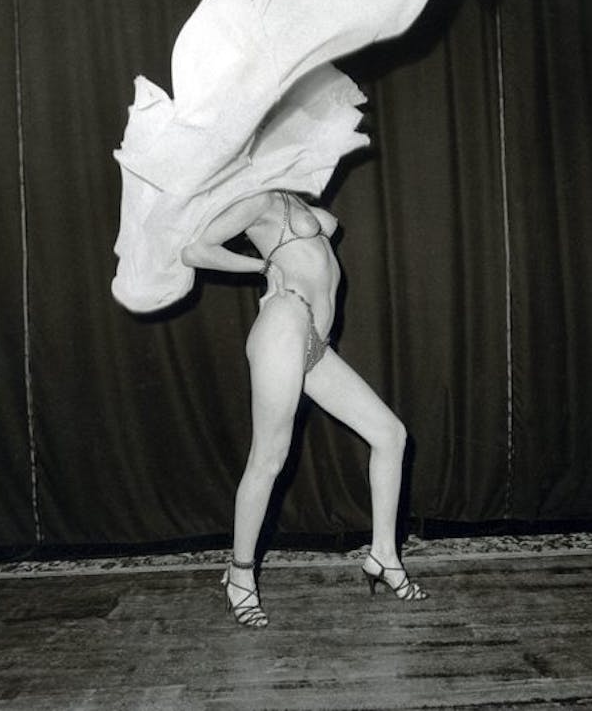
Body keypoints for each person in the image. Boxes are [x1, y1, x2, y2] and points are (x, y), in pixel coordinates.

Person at [181, 189, 428, 628]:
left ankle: (383, 555)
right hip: (285, 323)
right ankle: (240, 574)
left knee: (390, 435)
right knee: (269, 458)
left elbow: (321, 226)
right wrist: (263, 267)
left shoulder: (293, 196)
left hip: (315, 342)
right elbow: (196, 250)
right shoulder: (260, 200)